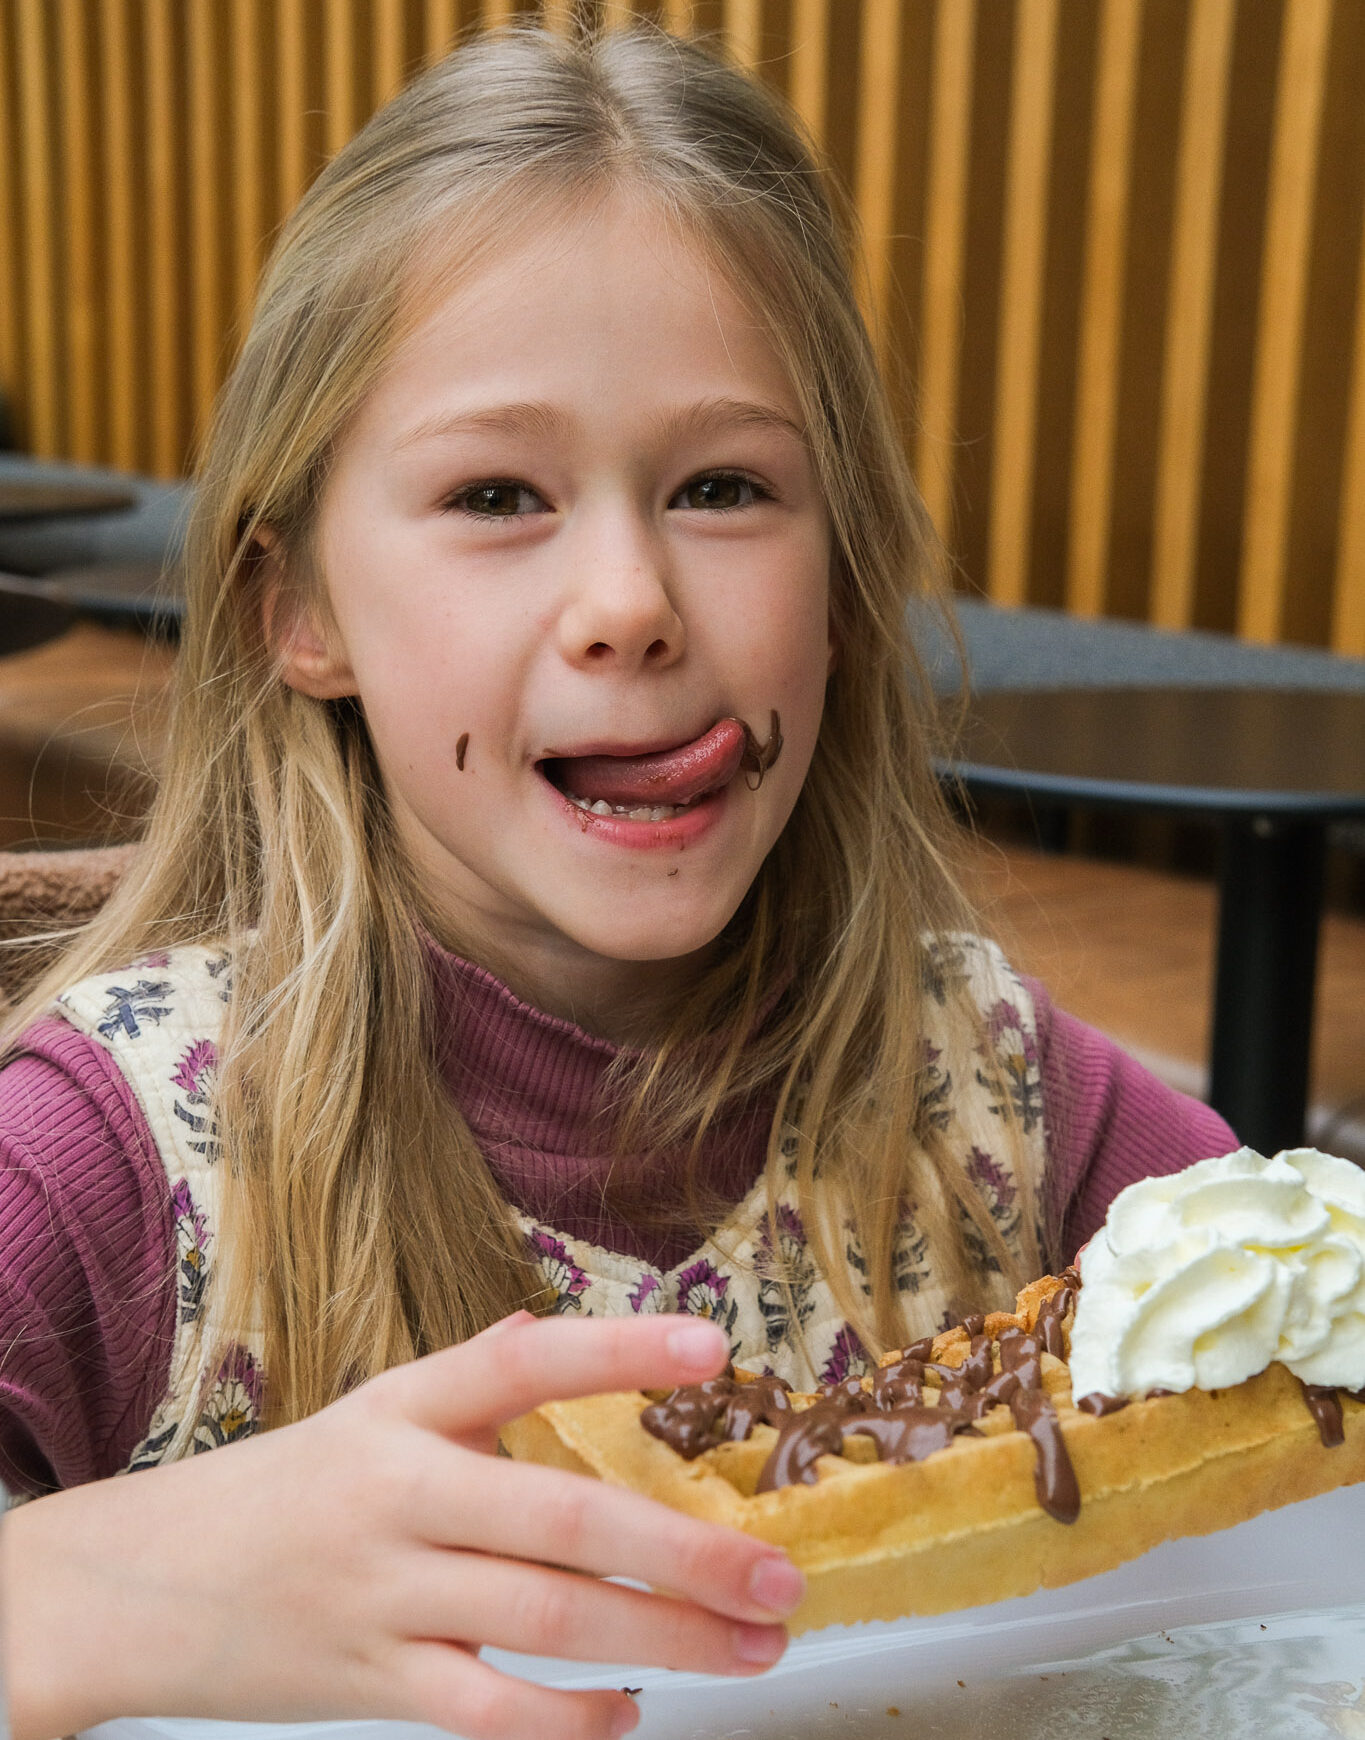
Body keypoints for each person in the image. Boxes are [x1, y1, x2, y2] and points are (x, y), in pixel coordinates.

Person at [0, 24, 1235, 1740]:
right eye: (496, 493)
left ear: (851, 572)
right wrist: (69, 1587)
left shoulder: (999, 1098)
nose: (627, 597)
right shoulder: (109, 1162)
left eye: (723, 486)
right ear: (304, 610)